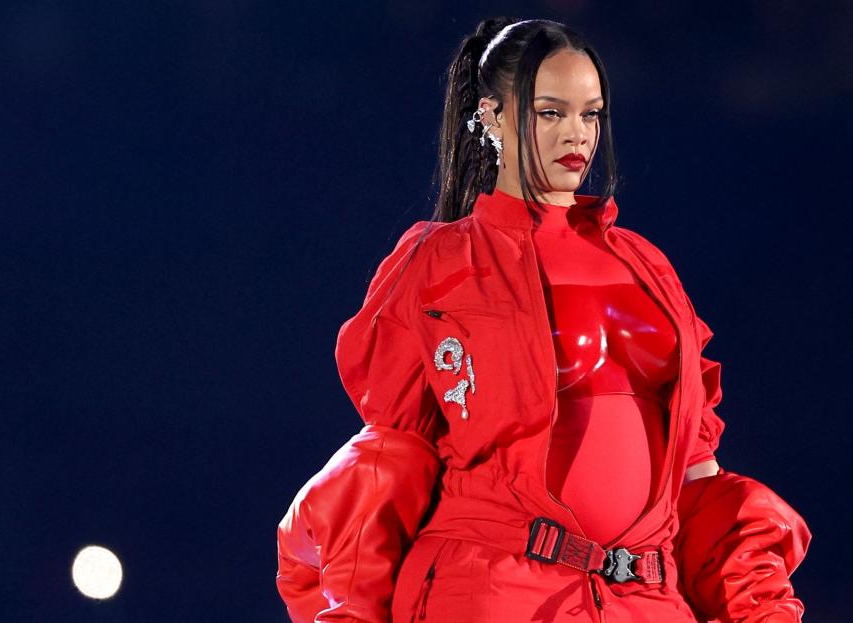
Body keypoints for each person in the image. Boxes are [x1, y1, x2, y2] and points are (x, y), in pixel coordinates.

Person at [275, 17, 810, 623]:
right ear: (493, 117)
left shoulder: (646, 264)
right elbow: (392, 459)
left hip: (645, 596)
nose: (576, 135)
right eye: (550, 113)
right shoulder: (440, 260)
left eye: (591, 114)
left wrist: (757, 604)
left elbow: (697, 469)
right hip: (493, 588)